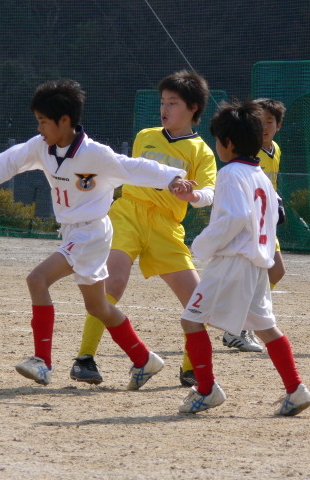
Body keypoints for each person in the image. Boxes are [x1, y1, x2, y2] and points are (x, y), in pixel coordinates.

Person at [0, 79, 196, 389]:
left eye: (43, 122)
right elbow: (11, 160)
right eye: (37, 122)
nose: (40, 129)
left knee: (37, 280)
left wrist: (172, 178)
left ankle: (42, 362)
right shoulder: (42, 147)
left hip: (91, 233)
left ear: (64, 121)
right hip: (75, 234)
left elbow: (132, 167)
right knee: (98, 307)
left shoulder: (94, 154)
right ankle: (144, 359)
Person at [69, 70, 217, 388]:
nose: (164, 108)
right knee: (113, 282)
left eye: (173, 103)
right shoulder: (145, 136)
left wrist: (193, 196)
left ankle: (190, 368)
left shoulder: (202, 152)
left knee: (198, 301)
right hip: (129, 215)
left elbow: (209, 193)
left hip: (166, 227)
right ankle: (85, 358)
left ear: (193, 108)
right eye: (163, 102)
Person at [178, 100, 310, 415]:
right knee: (266, 328)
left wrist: (202, 244)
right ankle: (296, 389)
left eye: (217, 140)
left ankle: (206, 390)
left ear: (228, 143)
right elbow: (274, 216)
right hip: (257, 264)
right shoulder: (260, 175)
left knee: (191, 320)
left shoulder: (230, 173)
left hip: (232, 263)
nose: (217, 147)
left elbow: (234, 216)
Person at [222, 98, 287, 353]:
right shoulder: (248, 151)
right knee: (259, 275)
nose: (264, 126)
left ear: (278, 125)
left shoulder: (275, 150)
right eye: (259, 121)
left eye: (269, 121)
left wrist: (276, 203)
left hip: (265, 222)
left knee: (275, 272)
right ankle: (237, 327)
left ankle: (238, 324)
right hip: (249, 224)